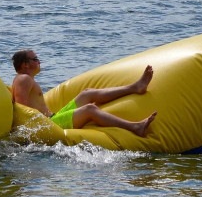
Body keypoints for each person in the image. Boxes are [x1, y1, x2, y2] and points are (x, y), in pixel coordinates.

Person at [11, 49, 157, 137]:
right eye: (35, 59)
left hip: (53, 118)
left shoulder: (25, 79)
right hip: (50, 125)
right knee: (90, 109)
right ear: (25, 64)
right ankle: (135, 127)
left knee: (87, 93)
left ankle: (135, 87)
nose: (39, 61)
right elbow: (21, 109)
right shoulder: (23, 79)